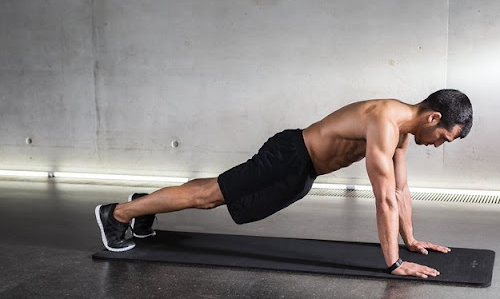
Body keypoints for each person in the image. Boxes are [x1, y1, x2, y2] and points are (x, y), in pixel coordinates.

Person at [95, 89, 473, 279]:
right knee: (212, 196)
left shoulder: (403, 135)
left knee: (217, 192)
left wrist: (410, 240)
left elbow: (399, 192)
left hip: (301, 172)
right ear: (434, 117)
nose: (439, 145)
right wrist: (393, 264)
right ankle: (117, 213)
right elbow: (382, 200)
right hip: (289, 155)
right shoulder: (385, 121)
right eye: (444, 137)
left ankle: (146, 205)